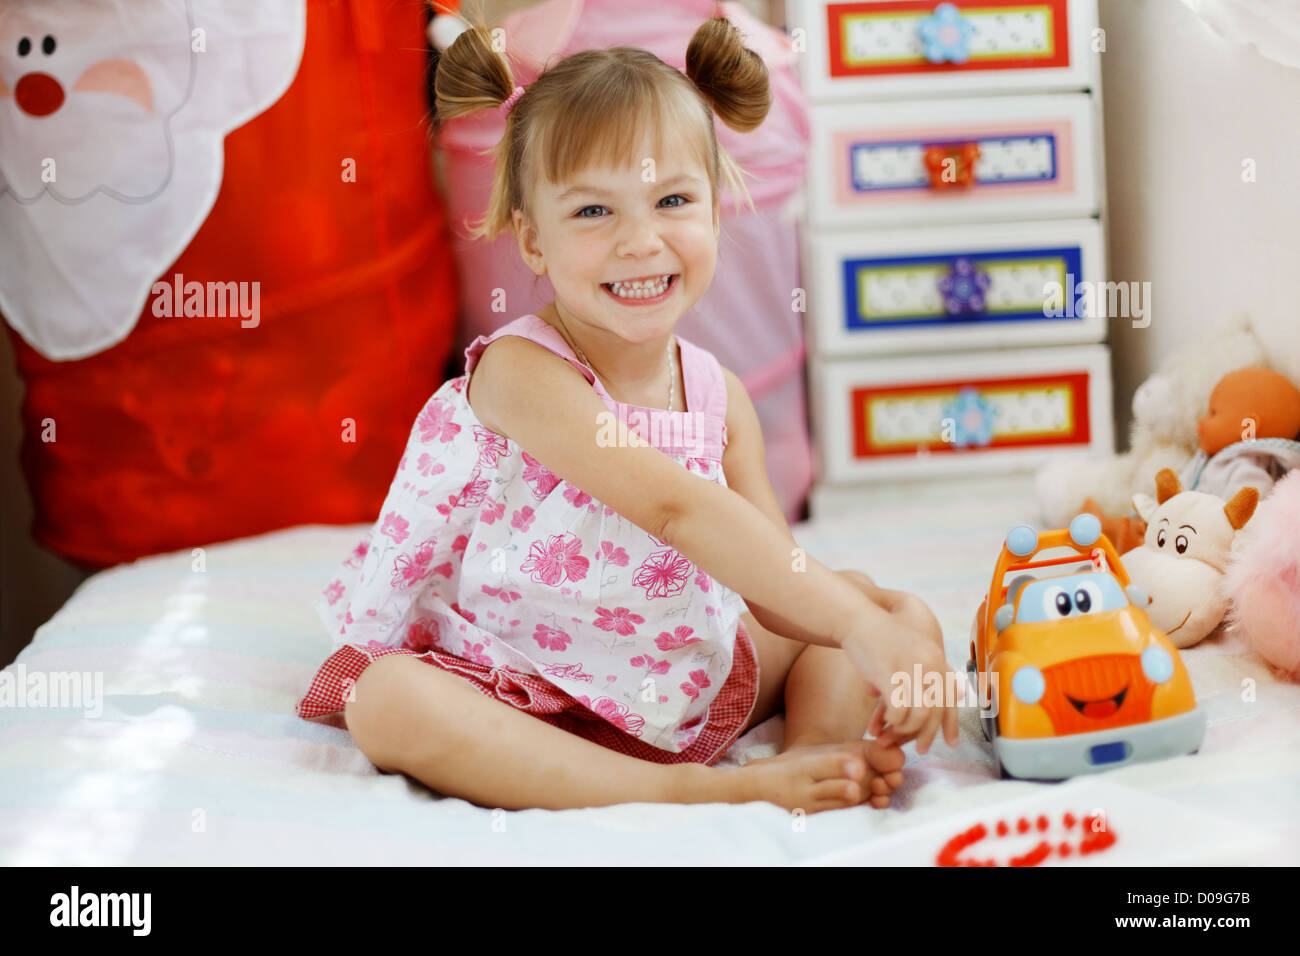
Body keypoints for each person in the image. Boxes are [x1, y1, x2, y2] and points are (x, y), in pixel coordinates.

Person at [296, 11, 958, 814]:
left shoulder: (721, 396)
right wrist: (855, 627)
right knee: (389, 700)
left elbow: (774, 591)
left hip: (676, 677)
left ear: (716, 212)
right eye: (593, 212)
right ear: (531, 241)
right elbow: (675, 508)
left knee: (896, 609)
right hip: (528, 693)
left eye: (672, 200)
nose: (640, 241)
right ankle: (683, 790)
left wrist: (875, 631)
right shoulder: (521, 371)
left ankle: (820, 755)